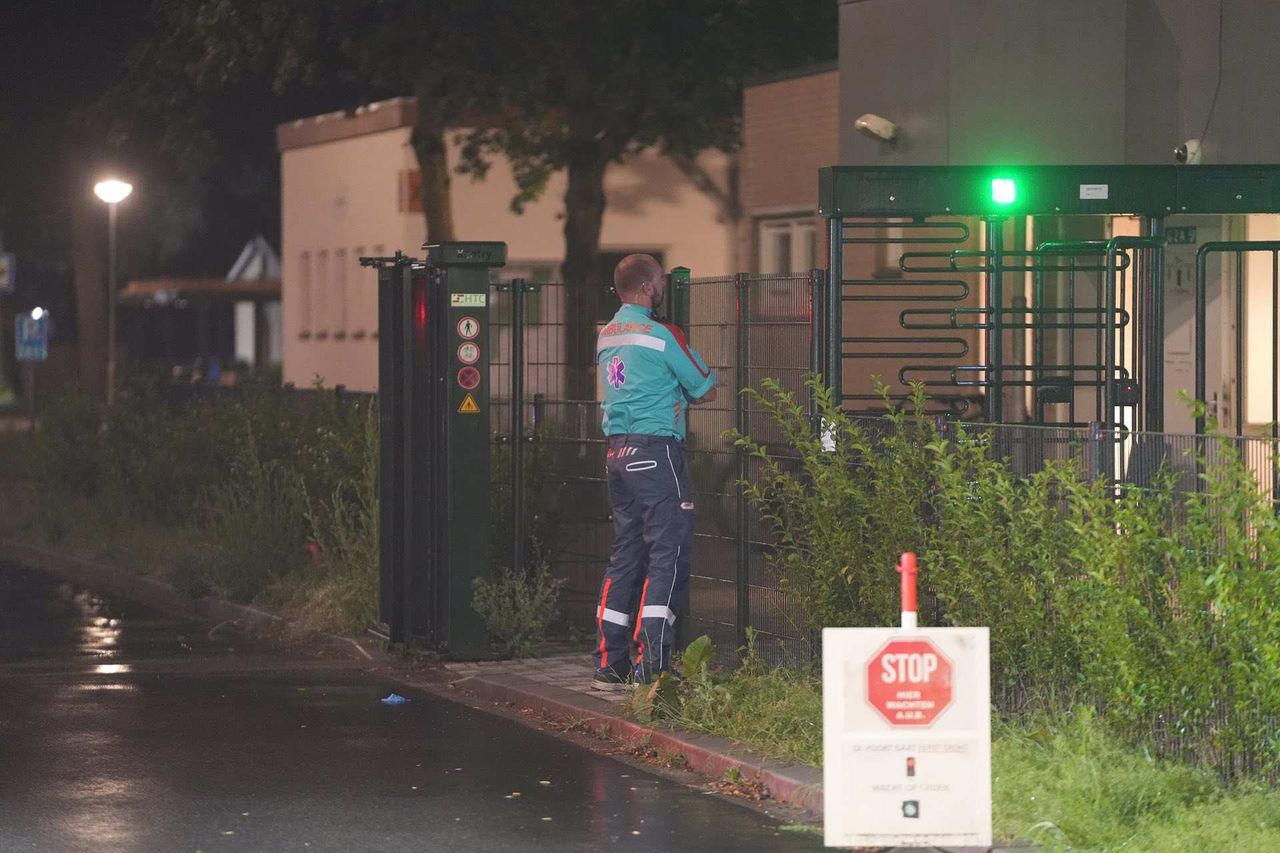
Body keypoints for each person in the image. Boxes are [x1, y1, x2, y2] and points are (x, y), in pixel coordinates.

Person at [592, 254, 717, 690]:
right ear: (648, 287)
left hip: (617, 453)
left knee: (626, 553)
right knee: (669, 553)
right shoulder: (663, 335)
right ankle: (654, 665)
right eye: (661, 280)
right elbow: (703, 382)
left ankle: (610, 662)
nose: (664, 285)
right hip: (657, 451)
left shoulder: (607, 335)